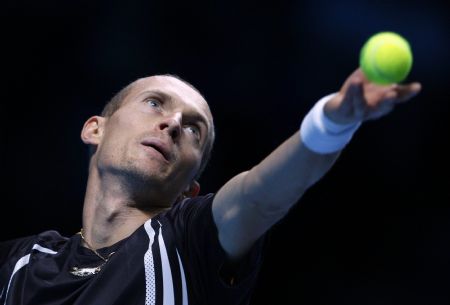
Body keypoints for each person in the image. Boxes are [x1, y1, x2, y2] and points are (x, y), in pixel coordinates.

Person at [0, 68, 421, 305]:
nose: (174, 123)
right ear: (96, 128)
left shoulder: (188, 242)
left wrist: (333, 123)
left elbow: (261, 194)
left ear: (190, 189)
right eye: (154, 103)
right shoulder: (18, 262)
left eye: (194, 131)